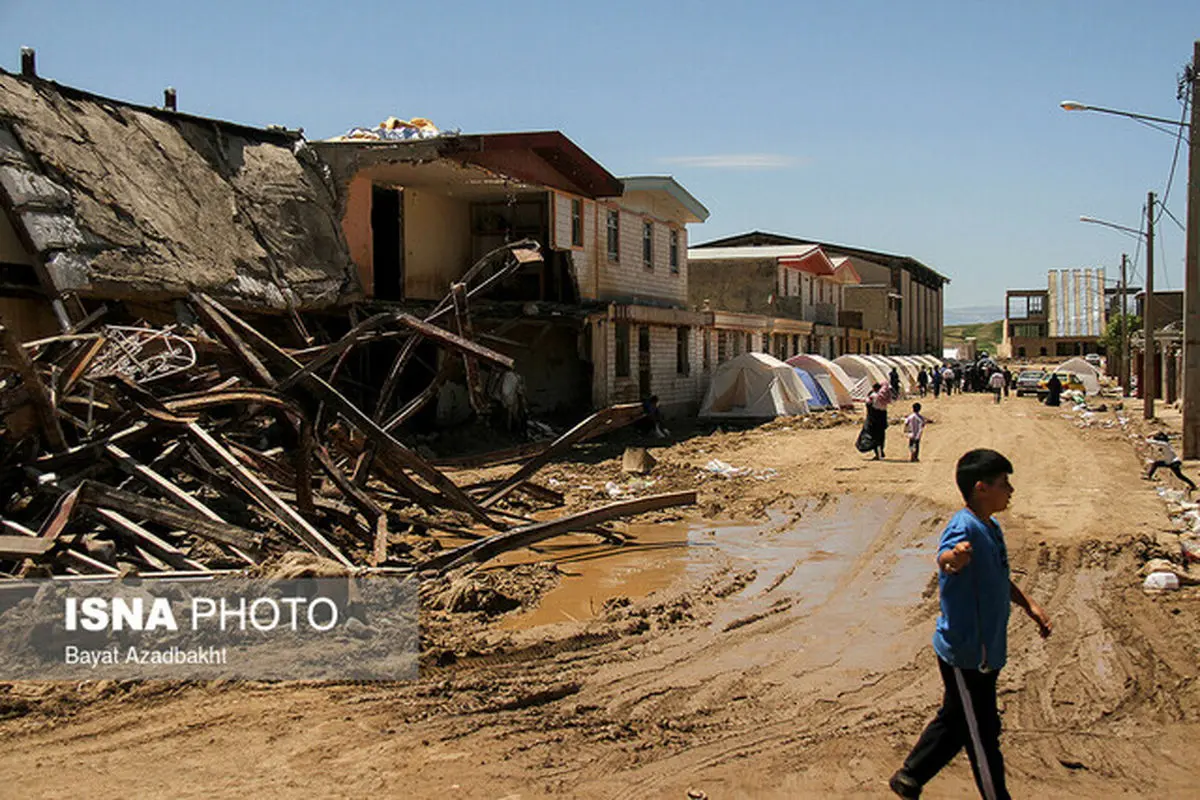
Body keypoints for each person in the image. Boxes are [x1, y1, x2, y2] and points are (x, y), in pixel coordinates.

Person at [890, 450, 1052, 800]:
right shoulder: (964, 527)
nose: (1010, 491)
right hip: (967, 653)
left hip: (985, 649)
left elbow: (998, 578)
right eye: (1004, 484)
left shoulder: (989, 528)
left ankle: (911, 775)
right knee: (982, 734)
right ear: (981, 488)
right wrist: (954, 560)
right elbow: (946, 558)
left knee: (957, 718)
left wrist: (1030, 605)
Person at [866, 381, 893, 460]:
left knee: (874, 435)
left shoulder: (873, 396)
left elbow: (867, 403)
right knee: (881, 435)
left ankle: (878, 453)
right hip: (883, 417)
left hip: (875, 417)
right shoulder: (884, 397)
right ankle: (881, 450)